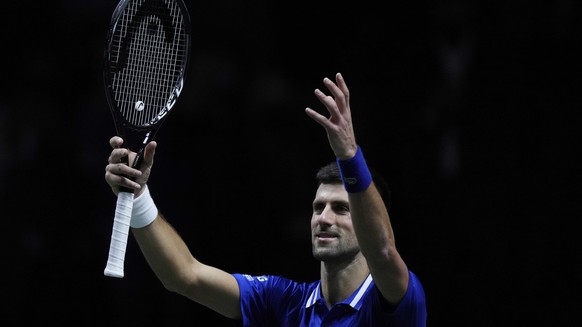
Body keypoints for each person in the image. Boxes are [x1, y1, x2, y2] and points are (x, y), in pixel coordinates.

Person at [104, 72, 427, 326]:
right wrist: (139, 195)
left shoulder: (395, 304)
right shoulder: (281, 301)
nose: (324, 218)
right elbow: (185, 276)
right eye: (318, 208)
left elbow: (383, 251)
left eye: (341, 208)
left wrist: (349, 155)